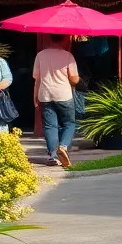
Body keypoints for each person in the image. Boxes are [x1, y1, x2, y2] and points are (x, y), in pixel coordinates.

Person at [33, 35, 80, 168]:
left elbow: (37, 79)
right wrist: (75, 79)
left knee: (50, 126)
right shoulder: (68, 56)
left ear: (50, 39)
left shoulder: (40, 55)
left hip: (45, 94)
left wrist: (35, 96)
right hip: (63, 94)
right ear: (64, 40)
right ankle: (63, 146)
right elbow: (74, 79)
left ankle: (53, 156)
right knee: (69, 123)